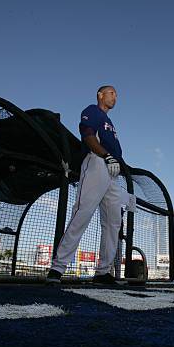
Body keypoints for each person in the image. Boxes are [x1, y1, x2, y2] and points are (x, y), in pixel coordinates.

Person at [46, 86, 123, 285]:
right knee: (83, 212)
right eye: (111, 92)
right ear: (100, 95)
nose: (115, 96)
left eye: (116, 94)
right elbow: (88, 136)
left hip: (113, 173)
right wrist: (106, 156)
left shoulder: (110, 121)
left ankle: (103, 271)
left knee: (113, 222)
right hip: (97, 162)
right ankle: (58, 267)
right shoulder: (92, 110)